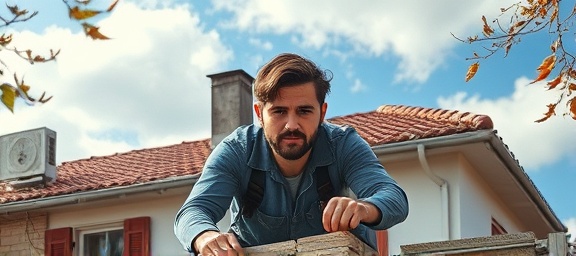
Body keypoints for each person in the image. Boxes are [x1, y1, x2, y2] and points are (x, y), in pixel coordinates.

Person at [174, 53, 409, 255]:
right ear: (259, 113)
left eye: (304, 111)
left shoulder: (344, 144)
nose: (291, 125)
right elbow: (193, 211)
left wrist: (363, 208)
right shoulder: (237, 150)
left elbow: (393, 197)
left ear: (322, 112)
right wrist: (205, 236)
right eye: (279, 111)